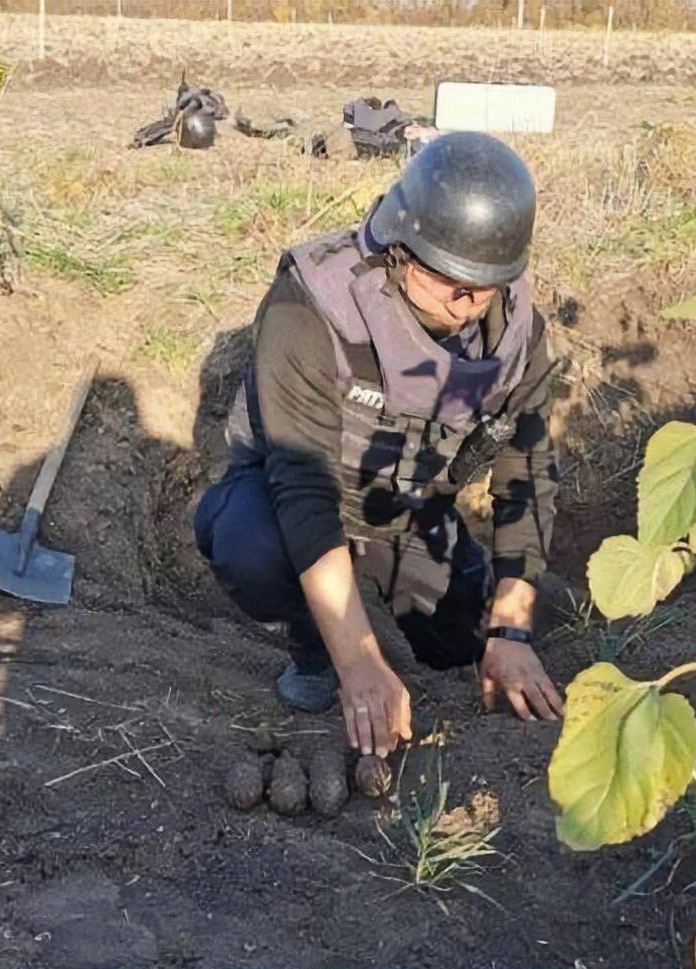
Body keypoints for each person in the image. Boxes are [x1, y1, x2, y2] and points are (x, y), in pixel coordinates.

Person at [194, 132, 563, 760]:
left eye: (488, 284)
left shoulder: (518, 336)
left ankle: (406, 593)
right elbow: (303, 487)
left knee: (455, 640)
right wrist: (359, 661)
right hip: (300, 496)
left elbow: (523, 469)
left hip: (405, 508)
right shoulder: (312, 307)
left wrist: (511, 628)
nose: (470, 304)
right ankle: (316, 643)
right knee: (249, 543)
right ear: (401, 249)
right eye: (451, 282)